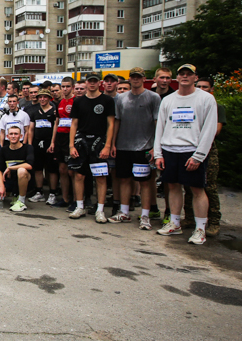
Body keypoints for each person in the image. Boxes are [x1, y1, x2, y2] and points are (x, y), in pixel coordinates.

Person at [154, 64, 218, 245]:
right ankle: (175, 223)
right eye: (181, 74)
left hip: (191, 150)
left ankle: (200, 229)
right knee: (173, 187)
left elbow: (209, 129)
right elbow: (160, 127)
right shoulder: (168, 100)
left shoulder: (206, 99)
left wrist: (199, 156)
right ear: (177, 77)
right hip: (170, 149)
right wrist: (158, 154)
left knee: (197, 189)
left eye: (189, 74)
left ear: (195, 77)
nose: (184, 77)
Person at [108, 67, 161, 229]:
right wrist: (113, 143)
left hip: (144, 147)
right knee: (124, 179)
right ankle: (124, 212)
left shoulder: (153, 97)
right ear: (129, 78)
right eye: (133, 77)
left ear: (144, 79)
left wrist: (155, 146)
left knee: (144, 182)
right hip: (123, 146)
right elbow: (117, 121)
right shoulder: (121, 98)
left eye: (139, 77)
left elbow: (158, 123)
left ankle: (145, 216)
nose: (136, 79)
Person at [67, 73, 115, 222]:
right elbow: (74, 124)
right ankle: (79, 206)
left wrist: (107, 146)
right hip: (81, 141)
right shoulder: (79, 101)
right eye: (90, 81)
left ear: (99, 83)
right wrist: (71, 145)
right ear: (86, 83)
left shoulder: (107, 100)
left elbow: (111, 124)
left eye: (95, 81)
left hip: (99, 141)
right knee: (79, 176)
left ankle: (100, 210)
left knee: (100, 177)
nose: (92, 84)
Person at [184, 77, 225, 237]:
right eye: (199, 86)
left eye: (205, 87)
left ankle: (213, 221)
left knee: (209, 186)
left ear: (211, 89)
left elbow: (216, 130)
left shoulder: (216, 105)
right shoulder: (191, 103)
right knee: (188, 185)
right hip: (189, 147)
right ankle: (189, 218)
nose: (201, 89)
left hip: (208, 150)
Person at [0, 125, 34, 212]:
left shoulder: (28, 148)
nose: (13, 136)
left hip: (25, 180)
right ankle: (14, 195)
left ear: (21, 136)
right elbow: (0, 170)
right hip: (10, 181)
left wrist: (11, 168)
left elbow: (29, 165)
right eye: (11, 134)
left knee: (21, 170)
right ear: (7, 136)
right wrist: (1, 186)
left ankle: (21, 201)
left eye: (16, 134)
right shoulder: (4, 150)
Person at [48, 77, 76, 208]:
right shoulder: (60, 103)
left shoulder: (76, 101)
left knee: (72, 171)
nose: (65, 89)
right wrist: (53, 142)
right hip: (60, 138)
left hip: (72, 138)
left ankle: (76, 199)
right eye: (63, 86)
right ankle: (65, 199)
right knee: (62, 169)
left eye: (67, 86)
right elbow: (56, 123)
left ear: (72, 87)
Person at [26, 89, 58, 203]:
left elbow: (56, 127)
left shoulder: (54, 111)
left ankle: (53, 193)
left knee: (51, 169)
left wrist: (53, 142)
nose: (42, 99)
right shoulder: (35, 112)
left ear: (49, 98)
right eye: (40, 97)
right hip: (37, 143)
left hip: (50, 143)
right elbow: (31, 129)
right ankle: (39, 192)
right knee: (38, 168)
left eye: (45, 97)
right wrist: (30, 144)